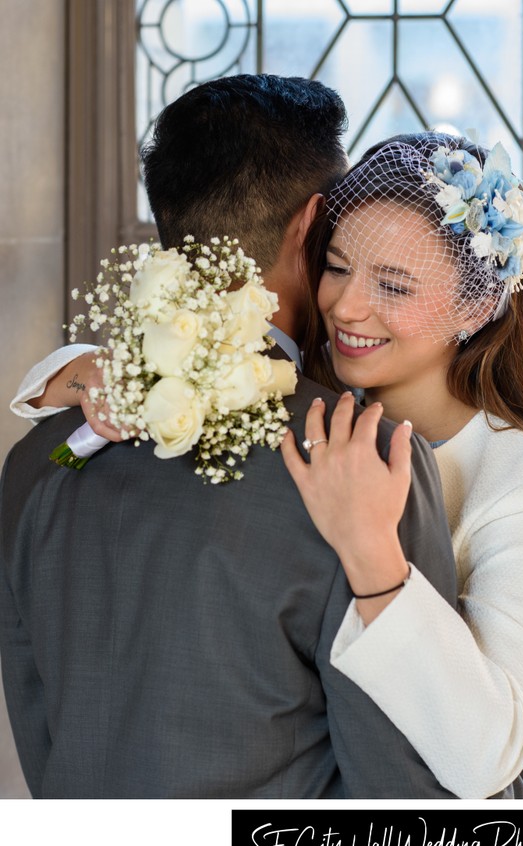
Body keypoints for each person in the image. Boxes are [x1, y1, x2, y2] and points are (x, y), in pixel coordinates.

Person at [0, 76, 467, 799]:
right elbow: (415, 793)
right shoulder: (358, 461)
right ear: (314, 224)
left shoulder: (44, 456)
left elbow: (42, 730)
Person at [279, 132, 523, 799]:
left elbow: (490, 759)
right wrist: (75, 368)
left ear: (478, 308)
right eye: (337, 266)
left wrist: (375, 561)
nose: (344, 305)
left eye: (392, 285)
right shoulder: (293, 398)